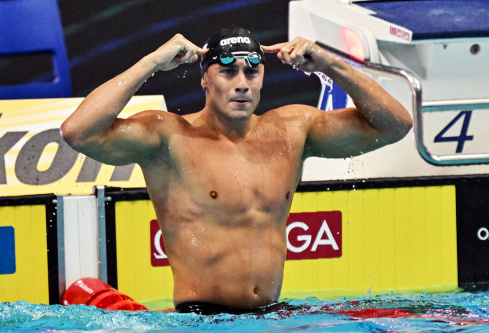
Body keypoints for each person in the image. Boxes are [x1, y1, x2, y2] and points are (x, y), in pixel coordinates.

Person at [60, 26, 413, 315]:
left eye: (252, 71)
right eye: (228, 72)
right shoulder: (170, 137)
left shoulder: (291, 130)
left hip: (273, 316)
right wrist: (151, 62)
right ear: (205, 80)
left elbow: (395, 125)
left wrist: (329, 64)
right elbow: (78, 131)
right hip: (204, 320)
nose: (241, 82)